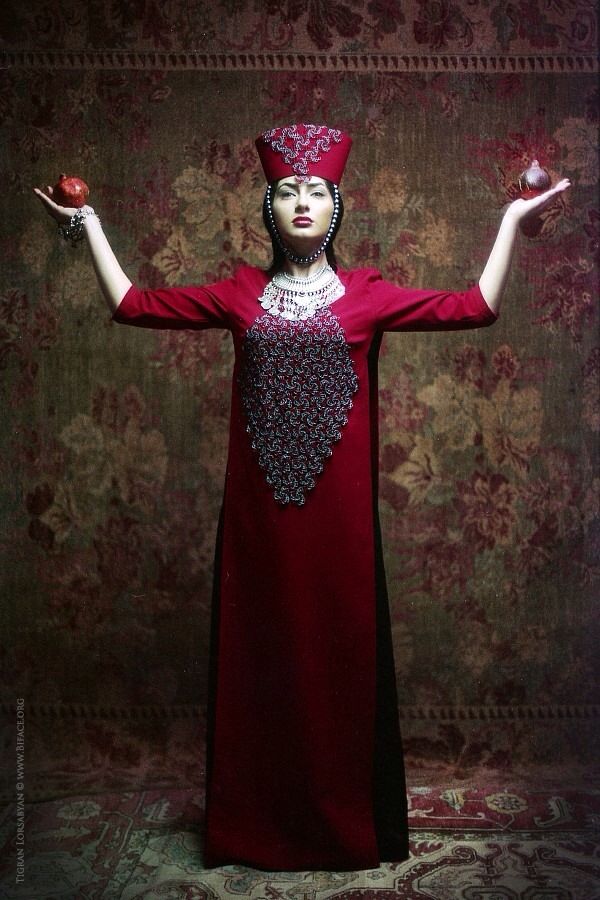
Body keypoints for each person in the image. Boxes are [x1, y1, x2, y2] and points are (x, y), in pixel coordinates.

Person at [35, 123, 571, 872]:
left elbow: (475, 306)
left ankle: (342, 824)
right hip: (258, 528)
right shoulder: (239, 293)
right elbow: (132, 303)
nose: (301, 202)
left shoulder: (368, 294)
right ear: (269, 207)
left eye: (316, 191)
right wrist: (88, 221)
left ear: (337, 208)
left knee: (337, 661)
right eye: (287, 191)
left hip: (340, 528)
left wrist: (512, 219)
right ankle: (254, 826)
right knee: (262, 664)